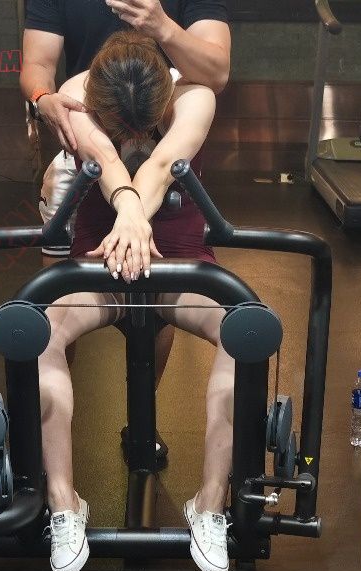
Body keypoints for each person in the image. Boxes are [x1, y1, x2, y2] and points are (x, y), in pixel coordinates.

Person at [39, 31, 233, 571]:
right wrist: (126, 213)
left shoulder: (195, 96)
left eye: (141, 128)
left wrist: (131, 217)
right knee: (40, 332)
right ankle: (63, 503)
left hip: (177, 265)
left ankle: (210, 505)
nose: (132, 137)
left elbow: (163, 162)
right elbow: (104, 158)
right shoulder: (77, 92)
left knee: (244, 333)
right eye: (120, 126)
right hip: (99, 265)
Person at [20, 0, 232, 383]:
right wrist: (42, 97)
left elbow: (216, 73)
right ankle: (56, 382)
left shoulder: (188, 100)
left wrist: (162, 25)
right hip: (90, 126)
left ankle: (145, 405)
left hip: (156, 121)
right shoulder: (79, 94)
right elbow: (38, 65)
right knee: (50, 303)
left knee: (168, 287)